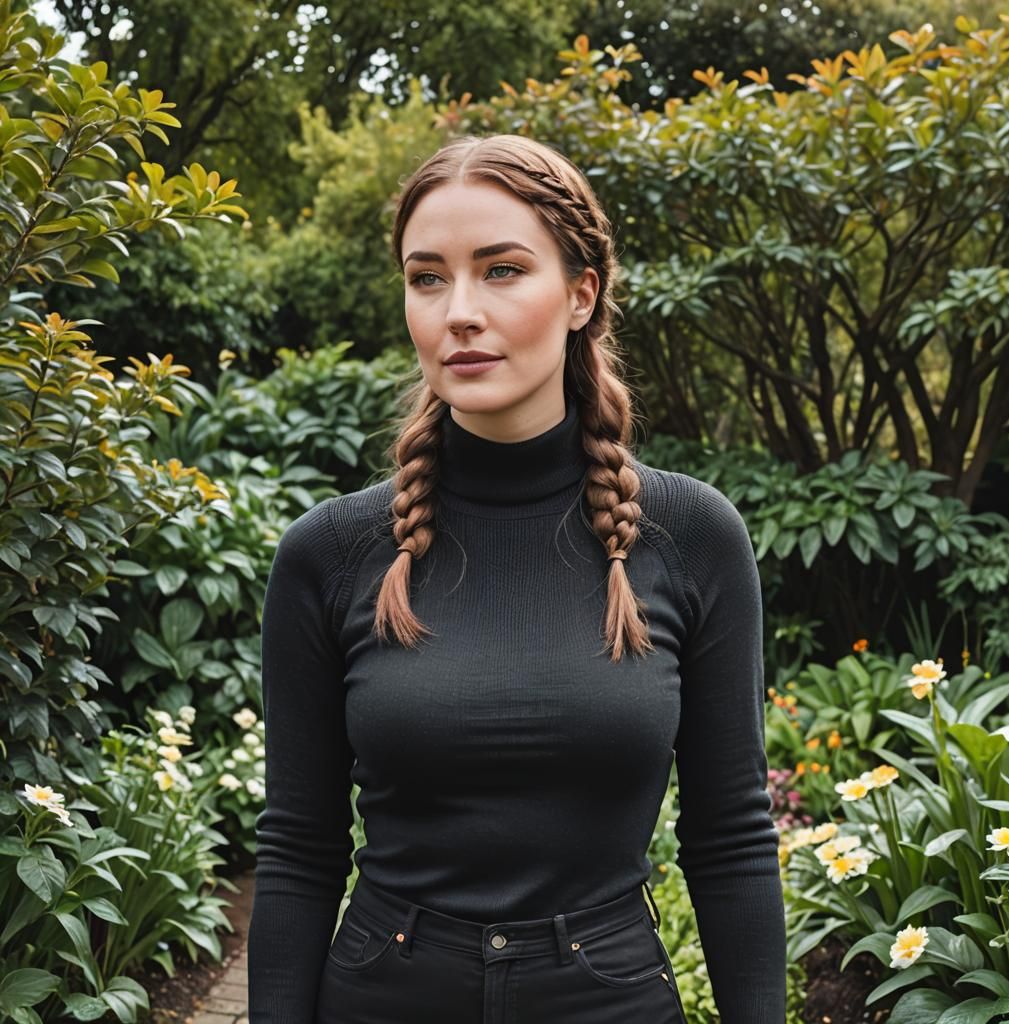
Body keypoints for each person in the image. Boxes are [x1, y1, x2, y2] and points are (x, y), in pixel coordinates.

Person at [247, 132, 787, 1024]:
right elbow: (301, 847)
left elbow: (729, 840)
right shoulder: (330, 552)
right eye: (428, 277)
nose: (459, 311)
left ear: (582, 294)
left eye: (500, 270)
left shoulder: (691, 537)